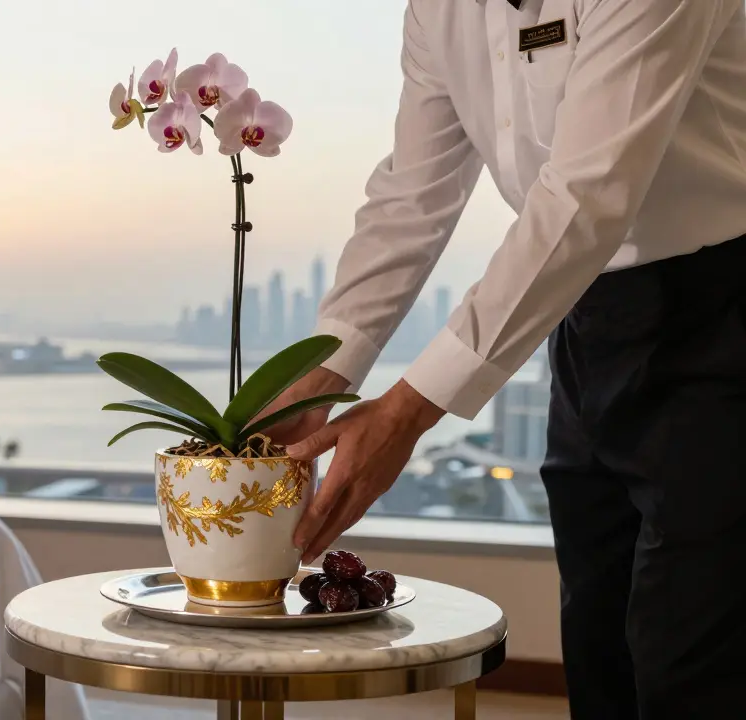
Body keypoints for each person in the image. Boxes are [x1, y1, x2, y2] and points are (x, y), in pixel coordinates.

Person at [266, 1, 746, 717]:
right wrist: (320, 379)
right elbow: (412, 196)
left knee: (691, 665)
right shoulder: (438, 10)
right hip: (581, 323)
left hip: (721, 323)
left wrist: (404, 413)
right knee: (598, 646)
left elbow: (586, 198)